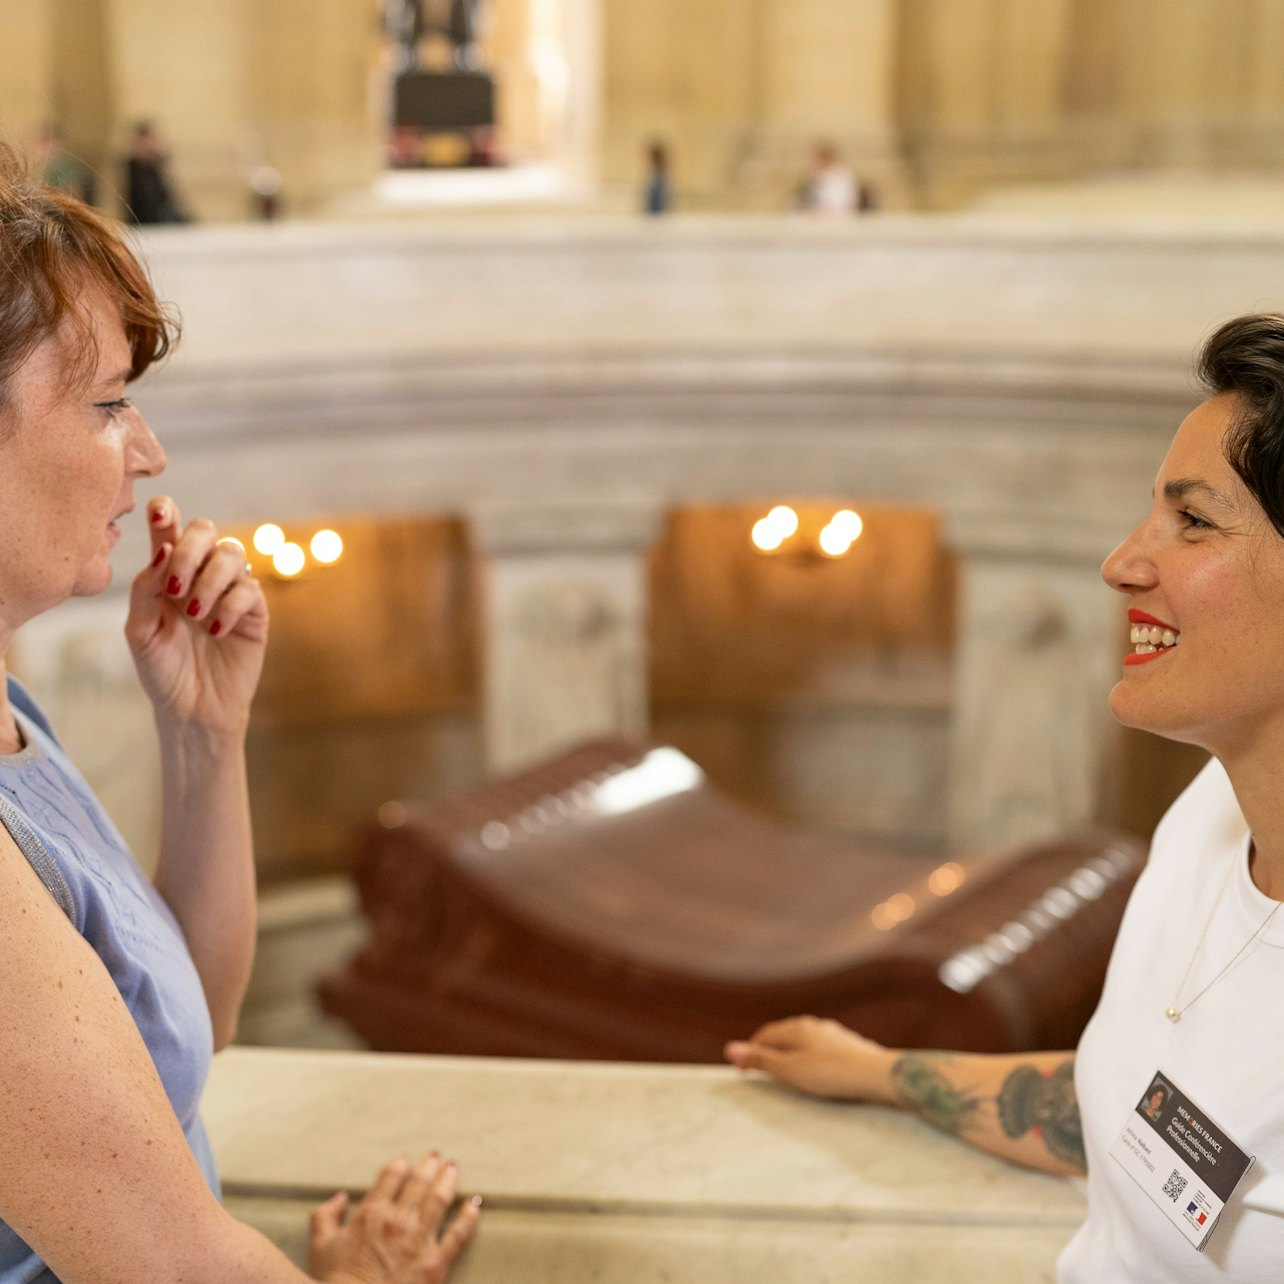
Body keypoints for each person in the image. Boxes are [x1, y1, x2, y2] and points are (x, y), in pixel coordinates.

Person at [0, 147, 479, 1280]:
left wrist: (203, 736)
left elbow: (181, 1031)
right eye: (109, 404)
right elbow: (175, 1267)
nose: (150, 454)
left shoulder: (11, 709)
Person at [728, 313, 1284, 1281]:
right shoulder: (1208, 816)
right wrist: (880, 1071)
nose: (1123, 564)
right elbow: (1146, 1118)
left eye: (1193, 521)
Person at [123, 121, 188, 225]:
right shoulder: (133, 168)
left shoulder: (155, 167)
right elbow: (145, 203)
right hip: (145, 222)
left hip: (161, 218)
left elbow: (167, 197)